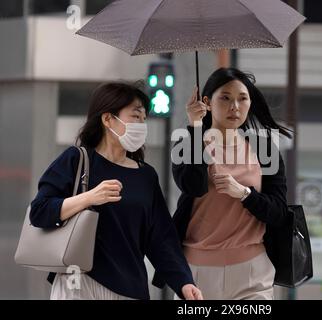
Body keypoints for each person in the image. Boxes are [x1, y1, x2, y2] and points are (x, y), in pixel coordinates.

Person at [29, 82, 203, 300]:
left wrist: (184, 282)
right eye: (135, 116)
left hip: (130, 288)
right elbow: (39, 211)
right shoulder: (77, 160)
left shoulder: (146, 175)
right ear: (108, 119)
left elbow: (161, 238)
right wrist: (89, 197)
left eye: (143, 118)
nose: (141, 124)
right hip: (78, 282)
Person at [152, 68, 292, 300]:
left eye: (242, 98)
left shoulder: (264, 149)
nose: (234, 107)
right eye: (225, 98)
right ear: (206, 102)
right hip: (196, 274)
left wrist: (244, 194)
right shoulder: (186, 145)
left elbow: (278, 212)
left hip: (252, 272)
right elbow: (192, 186)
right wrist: (196, 127)